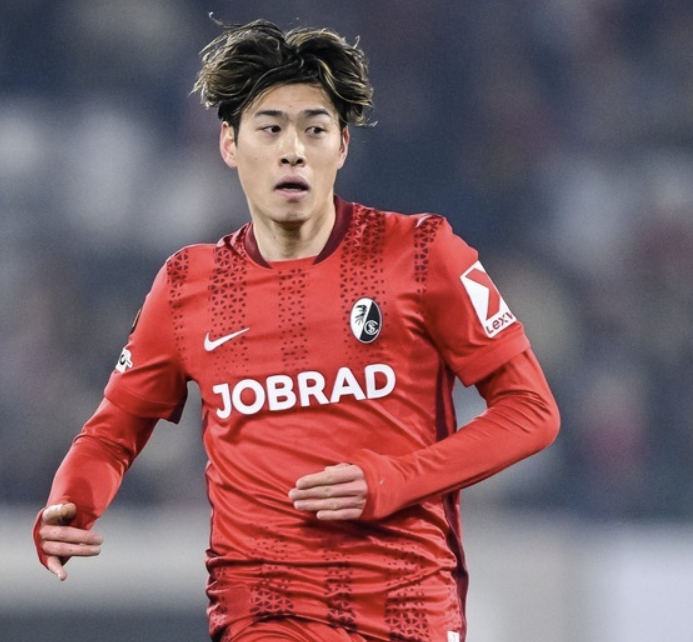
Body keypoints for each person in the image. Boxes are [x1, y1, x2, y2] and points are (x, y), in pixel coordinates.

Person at [33, 18, 560, 642]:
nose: (293, 150)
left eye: (314, 129)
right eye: (270, 128)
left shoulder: (422, 253)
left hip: (407, 610)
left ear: (342, 146)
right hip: (264, 611)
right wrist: (72, 499)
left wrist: (395, 478)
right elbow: (114, 428)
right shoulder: (186, 285)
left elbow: (531, 412)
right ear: (229, 143)